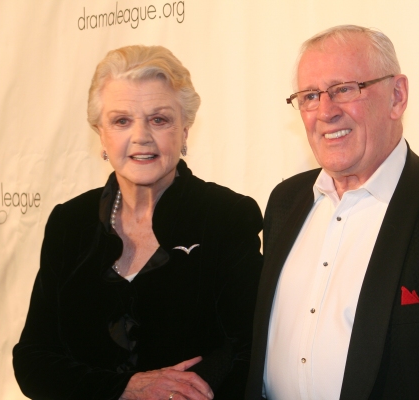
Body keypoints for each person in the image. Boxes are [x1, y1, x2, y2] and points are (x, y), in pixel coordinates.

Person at [246, 25, 419, 399]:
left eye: (345, 90)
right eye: (310, 96)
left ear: (397, 96)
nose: (325, 112)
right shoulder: (284, 202)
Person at [13, 45, 263, 400]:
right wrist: (124, 389)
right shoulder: (69, 223)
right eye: (122, 121)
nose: (141, 136)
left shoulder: (226, 215)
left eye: (159, 119)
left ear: (185, 130)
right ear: (100, 133)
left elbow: (248, 349)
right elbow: (33, 359)